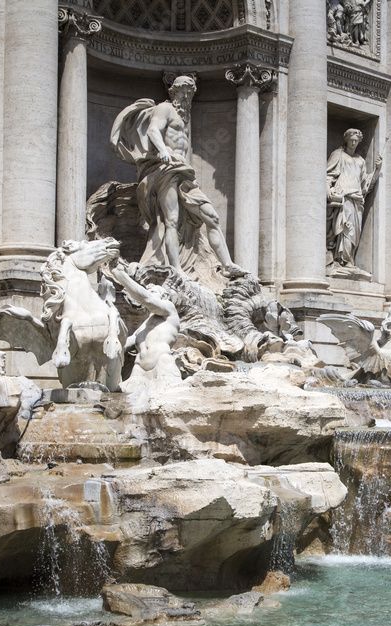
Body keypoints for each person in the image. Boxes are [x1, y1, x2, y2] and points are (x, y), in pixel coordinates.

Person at [110, 76, 246, 286]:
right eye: (182, 91)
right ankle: (176, 269)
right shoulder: (164, 108)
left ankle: (227, 265)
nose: (186, 96)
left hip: (183, 172)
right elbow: (154, 130)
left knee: (212, 216)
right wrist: (163, 150)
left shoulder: (184, 117)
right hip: (166, 169)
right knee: (171, 221)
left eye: (189, 92)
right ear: (173, 93)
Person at [103, 262, 182, 394]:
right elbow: (127, 343)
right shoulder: (144, 325)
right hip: (138, 370)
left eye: (152, 292)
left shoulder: (170, 312)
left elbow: (147, 299)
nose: (147, 294)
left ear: (164, 297)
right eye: (148, 291)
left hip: (161, 364)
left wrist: (120, 275)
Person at [326, 128, 382, 267]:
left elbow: (366, 184)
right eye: (351, 140)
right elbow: (328, 175)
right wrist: (329, 191)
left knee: (354, 233)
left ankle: (349, 258)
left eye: (356, 141)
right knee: (345, 228)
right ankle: (341, 259)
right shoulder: (338, 154)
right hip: (344, 196)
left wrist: (377, 169)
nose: (353, 142)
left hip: (357, 199)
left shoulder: (361, 161)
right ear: (346, 139)